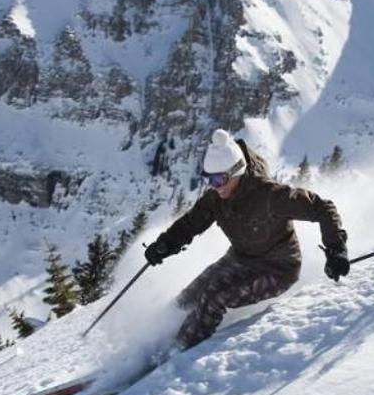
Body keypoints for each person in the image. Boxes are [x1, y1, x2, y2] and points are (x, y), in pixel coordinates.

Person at [144, 130, 349, 350]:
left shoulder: (270, 196)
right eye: (209, 179)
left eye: (219, 179)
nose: (215, 186)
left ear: (236, 171)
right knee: (189, 297)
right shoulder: (216, 197)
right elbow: (190, 224)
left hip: (277, 269)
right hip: (240, 258)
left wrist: (336, 249)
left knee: (214, 298)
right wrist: (165, 245)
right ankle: (156, 342)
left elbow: (322, 208)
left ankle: (175, 352)